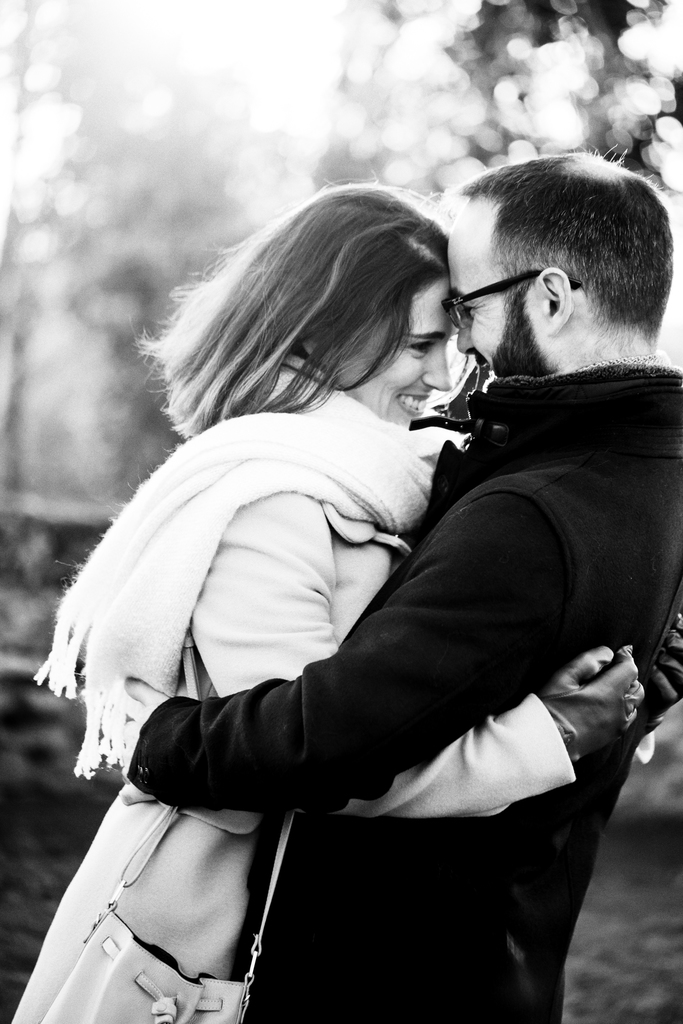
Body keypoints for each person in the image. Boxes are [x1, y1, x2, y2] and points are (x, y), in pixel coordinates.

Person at [14, 182, 640, 1024]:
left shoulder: (378, 479)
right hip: (207, 929)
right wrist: (546, 737)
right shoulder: (278, 503)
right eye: (419, 345)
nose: (442, 373)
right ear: (327, 337)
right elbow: (320, 763)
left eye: (449, 338)